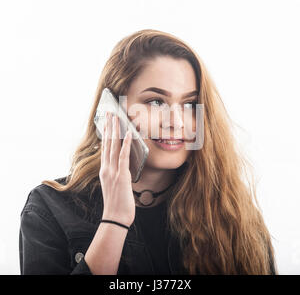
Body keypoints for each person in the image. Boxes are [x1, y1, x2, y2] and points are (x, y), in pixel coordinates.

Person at [19, 29, 277, 275]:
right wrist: (114, 220)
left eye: (189, 104)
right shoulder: (48, 208)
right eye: (156, 101)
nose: (176, 122)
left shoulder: (230, 210)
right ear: (113, 110)